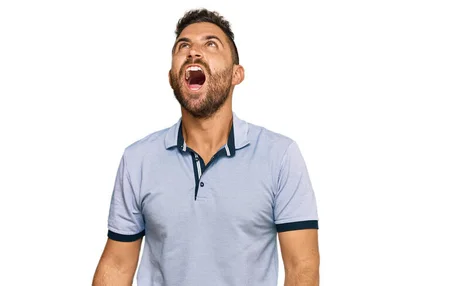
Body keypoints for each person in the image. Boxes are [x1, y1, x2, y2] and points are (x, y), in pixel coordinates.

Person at [92, 8, 320, 286]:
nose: (193, 52)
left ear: (237, 74)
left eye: (210, 44)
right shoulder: (138, 159)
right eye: (183, 46)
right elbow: (117, 265)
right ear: (171, 77)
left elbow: (301, 268)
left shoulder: (280, 156)